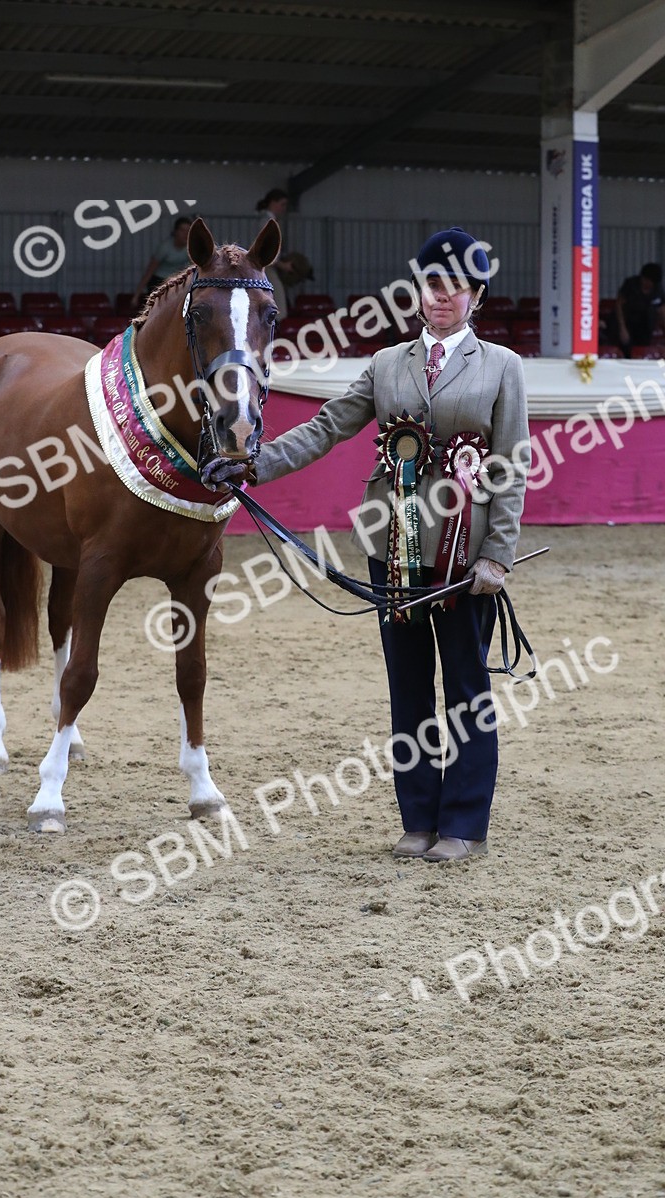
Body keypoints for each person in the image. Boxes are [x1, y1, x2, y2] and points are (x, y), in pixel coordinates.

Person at [206, 228, 531, 864]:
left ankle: (463, 824)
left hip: (465, 557)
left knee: (466, 688)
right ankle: (418, 818)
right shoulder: (387, 365)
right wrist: (253, 463)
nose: (441, 297)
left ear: (475, 298)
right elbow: (328, 428)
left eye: (455, 288)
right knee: (407, 687)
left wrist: (499, 552)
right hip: (397, 551)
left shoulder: (502, 367)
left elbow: (512, 466)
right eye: (432, 285)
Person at [255, 188, 309, 320]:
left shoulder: (268, 220)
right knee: (280, 310)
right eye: (282, 204)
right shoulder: (268, 222)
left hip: (268, 268)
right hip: (268, 269)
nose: (284, 208)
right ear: (273, 203)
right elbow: (265, 251)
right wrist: (283, 265)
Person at [615, 262, 665, 357]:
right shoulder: (630, 284)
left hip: (645, 326)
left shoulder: (658, 290)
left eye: (650, 282)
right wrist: (622, 328)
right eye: (645, 280)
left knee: (641, 352)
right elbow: (618, 305)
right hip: (627, 322)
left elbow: (663, 312)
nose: (647, 283)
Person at [132, 216, 193, 308]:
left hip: (174, 282)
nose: (185, 234)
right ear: (175, 232)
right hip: (158, 282)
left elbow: (195, 268)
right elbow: (149, 272)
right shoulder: (165, 247)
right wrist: (136, 296)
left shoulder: (190, 249)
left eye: (188, 231)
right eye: (182, 230)